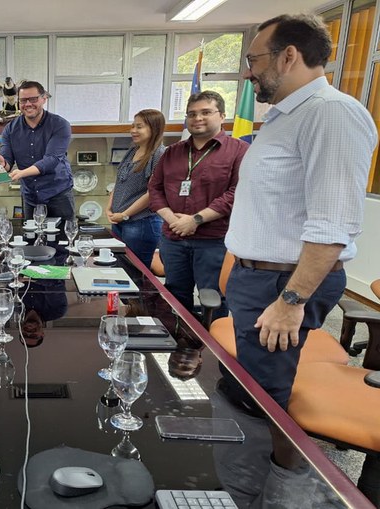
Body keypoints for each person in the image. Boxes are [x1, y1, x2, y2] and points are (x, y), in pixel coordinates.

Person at [225, 14, 377, 411]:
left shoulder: (331, 114)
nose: (248, 74)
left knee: (261, 399)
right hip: (257, 277)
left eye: (254, 61)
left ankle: (263, 472)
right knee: (245, 386)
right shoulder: (284, 117)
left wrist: (291, 302)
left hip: (282, 283)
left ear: (288, 56)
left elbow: (332, 225)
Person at [148, 90, 249, 318]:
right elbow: (155, 188)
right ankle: (180, 343)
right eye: (191, 114)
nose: (197, 118)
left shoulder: (239, 151)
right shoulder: (172, 152)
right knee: (175, 295)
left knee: (213, 298)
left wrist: (196, 219)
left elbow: (238, 192)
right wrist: (174, 220)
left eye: (205, 112)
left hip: (213, 240)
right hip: (173, 239)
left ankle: (214, 350)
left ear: (222, 115)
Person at [0, 81, 75, 223]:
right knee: (31, 242)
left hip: (58, 194)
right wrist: (3, 163)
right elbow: (7, 160)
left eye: (33, 99)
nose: (28, 104)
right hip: (30, 197)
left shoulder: (60, 125)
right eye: (23, 100)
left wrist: (21, 173)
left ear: (44, 99)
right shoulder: (10, 129)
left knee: (63, 241)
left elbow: (51, 160)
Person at [106, 109, 166, 269]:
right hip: (120, 222)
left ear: (154, 128)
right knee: (119, 268)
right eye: (133, 126)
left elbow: (153, 193)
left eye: (139, 127)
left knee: (135, 273)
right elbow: (119, 182)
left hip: (141, 224)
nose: (133, 130)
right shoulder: (132, 150)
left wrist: (125, 215)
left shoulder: (159, 154)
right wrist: (109, 208)